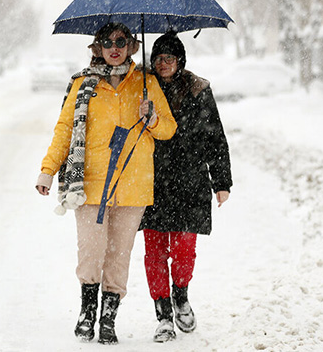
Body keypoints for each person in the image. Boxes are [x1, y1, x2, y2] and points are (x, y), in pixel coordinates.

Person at [35, 22, 177, 345]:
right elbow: (65, 129)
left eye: (122, 41)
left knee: (118, 256)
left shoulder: (146, 83)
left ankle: (108, 318)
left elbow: (168, 128)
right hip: (91, 184)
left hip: (133, 185)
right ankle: (87, 313)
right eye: (108, 42)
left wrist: (151, 117)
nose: (115, 47)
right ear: (97, 47)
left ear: (131, 46)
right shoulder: (83, 84)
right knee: (91, 251)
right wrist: (48, 169)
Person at [139, 31, 233, 342]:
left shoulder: (198, 90)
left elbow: (215, 138)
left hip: (189, 180)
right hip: (151, 181)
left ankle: (180, 295)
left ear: (180, 60)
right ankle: (163, 313)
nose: (163, 63)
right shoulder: (143, 89)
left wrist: (221, 182)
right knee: (154, 251)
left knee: (183, 250)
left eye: (169, 57)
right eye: (158, 58)